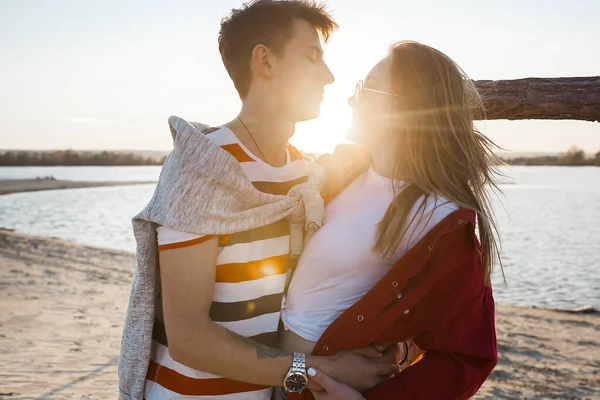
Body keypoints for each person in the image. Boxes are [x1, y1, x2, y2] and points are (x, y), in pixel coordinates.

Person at [118, 2, 401, 400]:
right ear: (265, 60)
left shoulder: (305, 175)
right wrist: (320, 369)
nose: (329, 75)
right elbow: (189, 338)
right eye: (312, 56)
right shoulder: (202, 168)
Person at [280, 41, 502, 399]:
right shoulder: (342, 172)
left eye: (364, 88)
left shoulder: (438, 215)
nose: (352, 100)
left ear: (406, 109)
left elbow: (467, 355)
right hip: (275, 378)